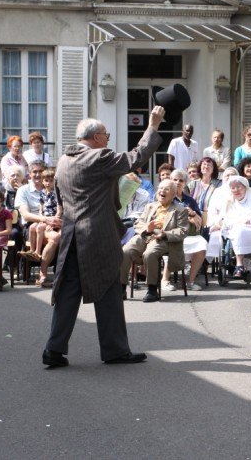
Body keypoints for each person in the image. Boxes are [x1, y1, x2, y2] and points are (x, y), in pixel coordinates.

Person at [42, 104, 166, 368]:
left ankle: (54, 349)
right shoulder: (98, 157)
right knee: (109, 286)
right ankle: (115, 349)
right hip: (97, 235)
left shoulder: (63, 161)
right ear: (96, 138)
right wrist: (152, 126)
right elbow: (136, 157)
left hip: (72, 234)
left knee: (68, 292)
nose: (108, 139)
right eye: (106, 135)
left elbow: (60, 199)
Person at [120, 179, 189, 302]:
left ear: (173, 194)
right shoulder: (150, 206)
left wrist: (164, 234)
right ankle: (121, 288)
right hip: (146, 235)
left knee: (150, 253)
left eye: (166, 189)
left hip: (164, 239)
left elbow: (183, 231)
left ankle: (152, 289)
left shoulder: (180, 209)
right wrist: (148, 228)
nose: (162, 191)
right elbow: (138, 223)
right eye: (160, 188)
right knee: (125, 250)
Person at [15, 160, 60, 287]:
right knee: (55, 239)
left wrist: (55, 220)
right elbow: (25, 215)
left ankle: (50, 274)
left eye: (40, 171)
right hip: (32, 226)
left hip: (53, 222)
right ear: (29, 174)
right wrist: (45, 219)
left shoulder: (55, 190)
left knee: (63, 235)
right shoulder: (23, 190)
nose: (37, 175)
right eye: (34, 172)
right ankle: (43, 275)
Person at [162, 169, 206, 291]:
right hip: (173, 231)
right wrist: (188, 217)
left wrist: (193, 214)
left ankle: (190, 281)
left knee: (202, 245)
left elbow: (199, 219)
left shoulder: (189, 200)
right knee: (174, 242)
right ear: (170, 181)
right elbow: (164, 216)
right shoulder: (165, 197)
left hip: (190, 233)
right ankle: (165, 280)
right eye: (174, 180)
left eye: (181, 180)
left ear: (185, 183)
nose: (177, 182)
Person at [28, 168, 62, 262]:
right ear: (42, 181)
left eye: (51, 181)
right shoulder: (42, 192)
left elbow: (59, 211)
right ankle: (31, 250)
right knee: (31, 227)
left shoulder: (56, 193)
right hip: (44, 218)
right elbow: (41, 207)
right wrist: (41, 218)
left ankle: (37, 252)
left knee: (39, 228)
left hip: (52, 218)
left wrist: (52, 223)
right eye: (46, 181)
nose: (48, 183)